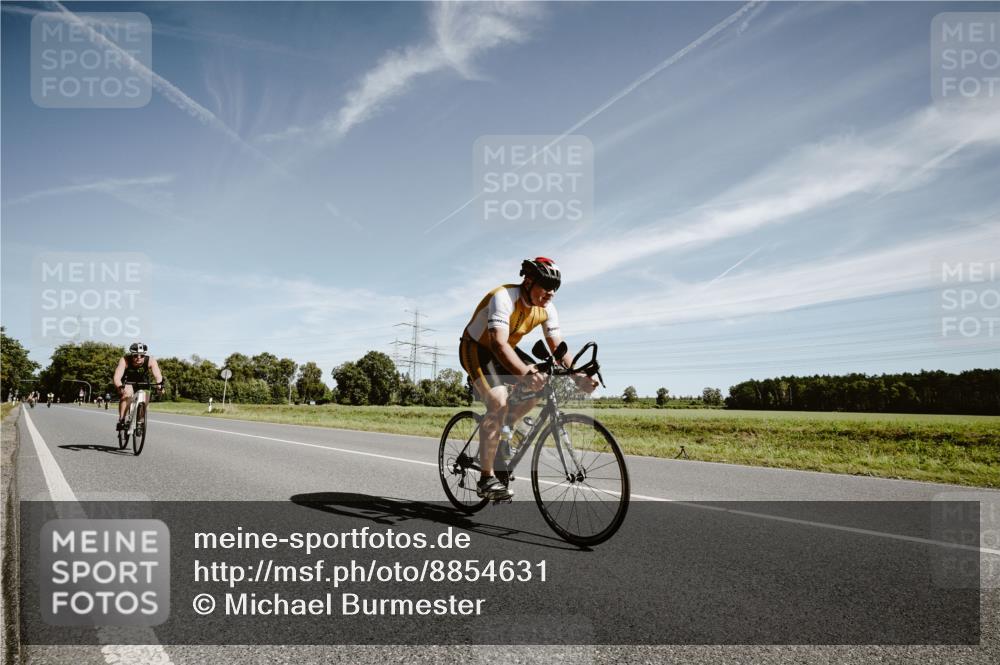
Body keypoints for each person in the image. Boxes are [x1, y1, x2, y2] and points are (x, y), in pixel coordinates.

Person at [459, 257, 598, 500]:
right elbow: (498, 344)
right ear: (528, 281)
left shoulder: (547, 308)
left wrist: (578, 374)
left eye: (555, 288)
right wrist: (524, 375)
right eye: (546, 286)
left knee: (539, 388)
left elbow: (557, 348)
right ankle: (486, 479)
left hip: (506, 349)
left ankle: (504, 433)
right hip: (477, 348)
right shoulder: (504, 297)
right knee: (498, 402)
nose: (551, 293)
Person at [112, 342, 164, 432]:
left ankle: (139, 421)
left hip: (144, 383)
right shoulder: (125, 360)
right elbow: (117, 377)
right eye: (135, 356)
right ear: (131, 355)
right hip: (129, 382)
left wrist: (160, 386)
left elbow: (158, 376)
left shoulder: (150, 360)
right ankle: (122, 419)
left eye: (142, 356)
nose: (138, 358)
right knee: (127, 394)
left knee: (145, 399)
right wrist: (120, 386)